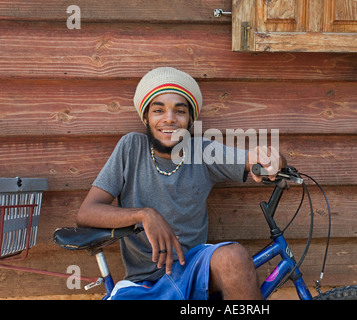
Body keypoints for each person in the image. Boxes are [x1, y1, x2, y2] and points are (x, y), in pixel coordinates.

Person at [76, 67, 286, 300]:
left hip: (193, 270)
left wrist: (270, 158)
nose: (169, 119)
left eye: (180, 111)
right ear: (146, 117)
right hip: (144, 282)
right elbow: (87, 212)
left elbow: (253, 160)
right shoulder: (131, 148)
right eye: (158, 110)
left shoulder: (204, 151)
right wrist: (145, 215)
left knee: (233, 257)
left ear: (189, 120)